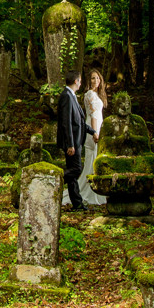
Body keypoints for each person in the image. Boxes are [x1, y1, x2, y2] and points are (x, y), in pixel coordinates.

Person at [57, 70, 95, 211]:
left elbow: (79, 122)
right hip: (72, 142)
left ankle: (77, 204)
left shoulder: (71, 96)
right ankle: (53, 180)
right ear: (76, 81)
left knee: (73, 176)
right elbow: (66, 122)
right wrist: (70, 144)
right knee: (76, 169)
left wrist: (92, 132)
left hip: (76, 140)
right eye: (80, 81)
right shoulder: (66, 96)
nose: (80, 84)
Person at [77, 69, 108, 206]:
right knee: (93, 158)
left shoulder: (96, 94)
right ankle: (91, 190)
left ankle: (94, 188)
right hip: (93, 128)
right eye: (93, 78)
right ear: (89, 81)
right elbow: (94, 115)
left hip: (98, 126)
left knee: (94, 158)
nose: (96, 81)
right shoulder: (90, 94)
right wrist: (95, 132)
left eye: (98, 78)